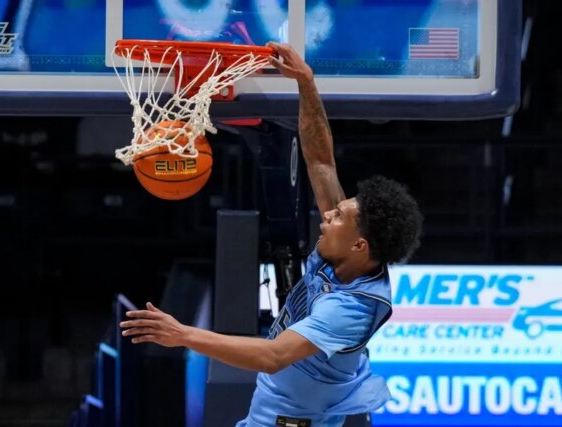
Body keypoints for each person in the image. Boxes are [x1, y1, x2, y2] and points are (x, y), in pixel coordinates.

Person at [119, 42, 424, 427]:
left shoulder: (350, 309)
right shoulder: (350, 252)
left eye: (337, 217)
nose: (327, 215)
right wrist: (306, 83)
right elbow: (321, 161)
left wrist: (183, 335)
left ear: (359, 244)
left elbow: (273, 356)